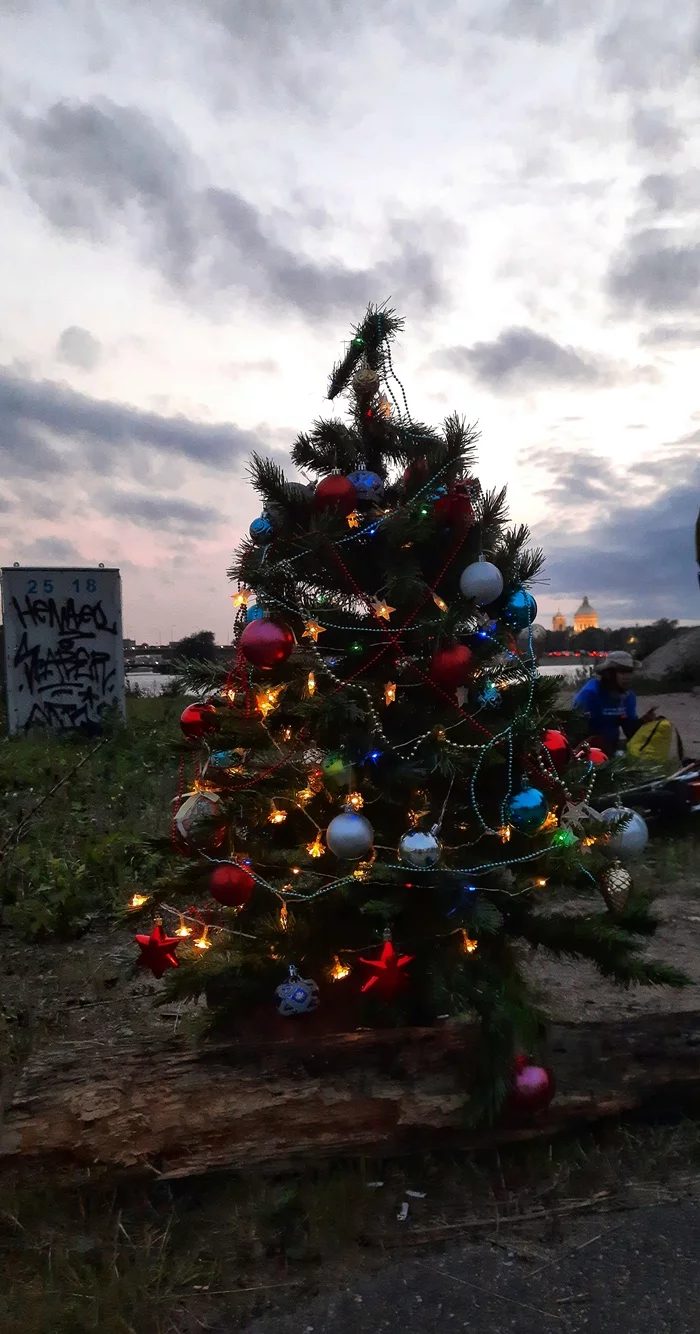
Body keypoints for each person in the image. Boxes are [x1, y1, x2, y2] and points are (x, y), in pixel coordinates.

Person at [573, 651, 656, 757]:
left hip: (612, 746)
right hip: (587, 748)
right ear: (608, 674)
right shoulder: (590, 694)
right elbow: (576, 733)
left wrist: (643, 722)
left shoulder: (628, 697)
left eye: (629, 671)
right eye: (622, 672)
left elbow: (629, 731)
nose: (627, 677)